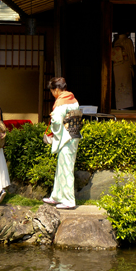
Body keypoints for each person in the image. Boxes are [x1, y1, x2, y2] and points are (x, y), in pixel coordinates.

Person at [43, 77, 81, 210]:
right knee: (63, 168)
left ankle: (69, 200)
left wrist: (53, 119)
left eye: (53, 91)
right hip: (74, 134)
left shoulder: (60, 102)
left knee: (66, 169)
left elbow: (58, 122)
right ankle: (56, 196)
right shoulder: (73, 99)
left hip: (66, 138)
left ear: (57, 89)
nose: (53, 94)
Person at [113, 32, 136, 109]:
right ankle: (127, 105)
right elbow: (131, 53)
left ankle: (119, 105)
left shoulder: (116, 41)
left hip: (116, 66)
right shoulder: (127, 41)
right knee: (126, 84)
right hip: (125, 64)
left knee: (119, 85)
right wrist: (133, 63)